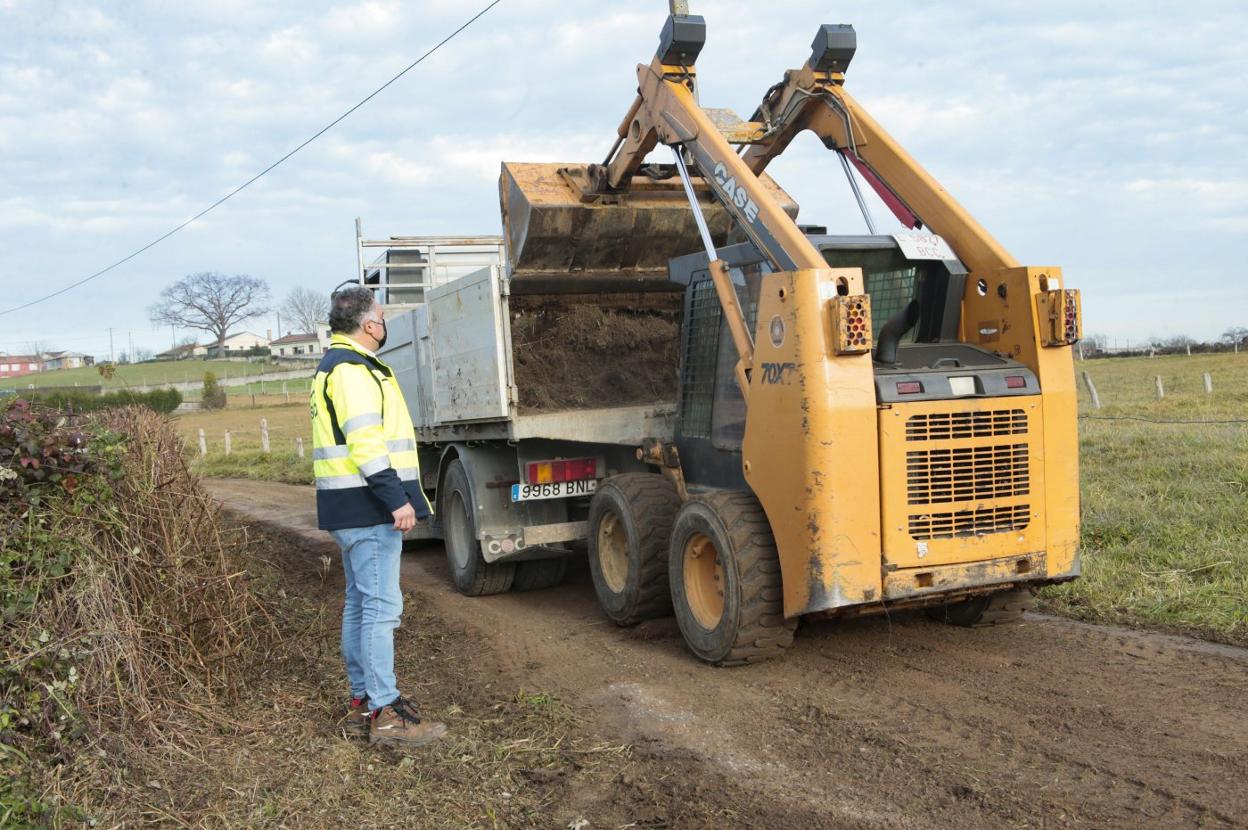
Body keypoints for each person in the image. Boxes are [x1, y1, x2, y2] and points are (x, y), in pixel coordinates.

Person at [310, 285, 446, 747]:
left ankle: (363, 704)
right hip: (368, 508)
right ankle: (385, 711)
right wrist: (396, 499)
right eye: (382, 318)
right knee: (381, 611)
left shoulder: (336, 366)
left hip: (348, 507)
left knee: (361, 605)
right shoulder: (352, 370)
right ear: (369, 325)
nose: (384, 324)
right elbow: (366, 443)